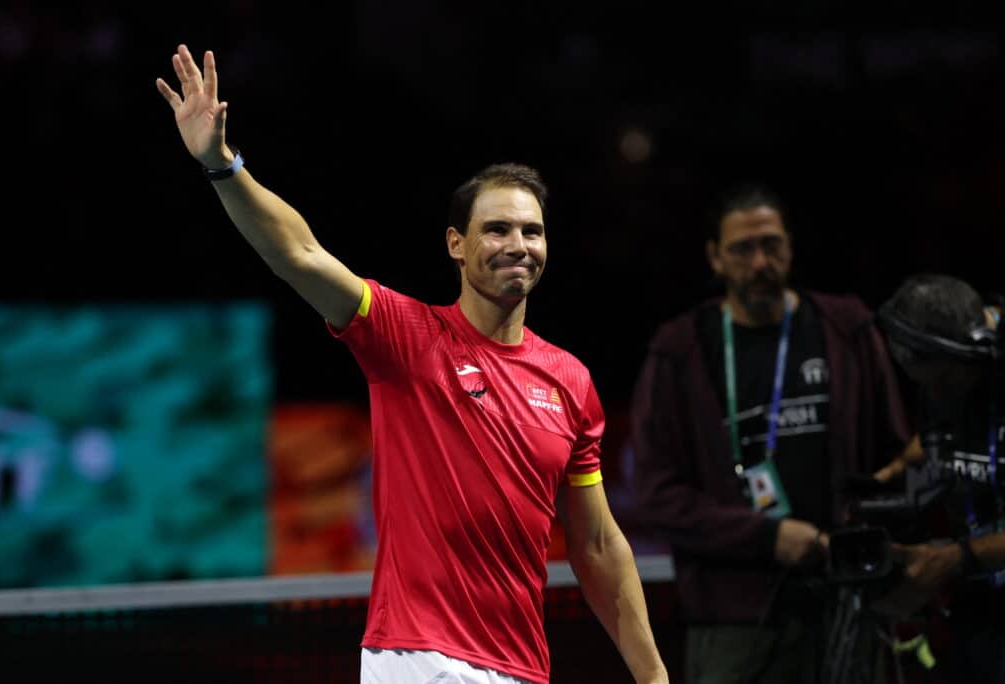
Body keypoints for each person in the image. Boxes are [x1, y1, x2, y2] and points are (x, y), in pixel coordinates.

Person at [155, 44, 668, 684]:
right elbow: (302, 254)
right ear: (457, 243)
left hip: (522, 668)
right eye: (497, 229)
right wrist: (221, 166)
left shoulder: (570, 381)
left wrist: (653, 677)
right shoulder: (406, 336)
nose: (518, 246)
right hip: (418, 659)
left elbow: (595, 546)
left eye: (531, 232)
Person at [629, 184, 911, 683]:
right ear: (715, 258)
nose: (760, 262)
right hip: (735, 619)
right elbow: (657, 495)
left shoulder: (846, 330)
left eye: (772, 245)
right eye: (742, 249)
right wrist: (765, 536)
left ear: (790, 247)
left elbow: (897, 456)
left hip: (847, 600)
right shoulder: (681, 350)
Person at [872, 274, 1005, 683]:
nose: (936, 393)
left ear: (977, 351)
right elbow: (937, 439)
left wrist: (954, 558)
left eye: (945, 380)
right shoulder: (946, 385)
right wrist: (892, 473)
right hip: (981, 611)